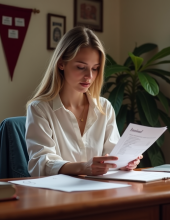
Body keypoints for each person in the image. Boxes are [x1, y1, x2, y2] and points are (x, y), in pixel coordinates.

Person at [25, 26, 142, 177]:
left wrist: (125, 162)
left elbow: (112, 154)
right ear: (61, 63)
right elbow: (40, 163)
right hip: (57, 195)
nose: (89, 76)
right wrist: (83, 167)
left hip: (99, 193)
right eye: (81, 67)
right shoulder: (40, 109)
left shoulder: (104, 107)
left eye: (95, 68)